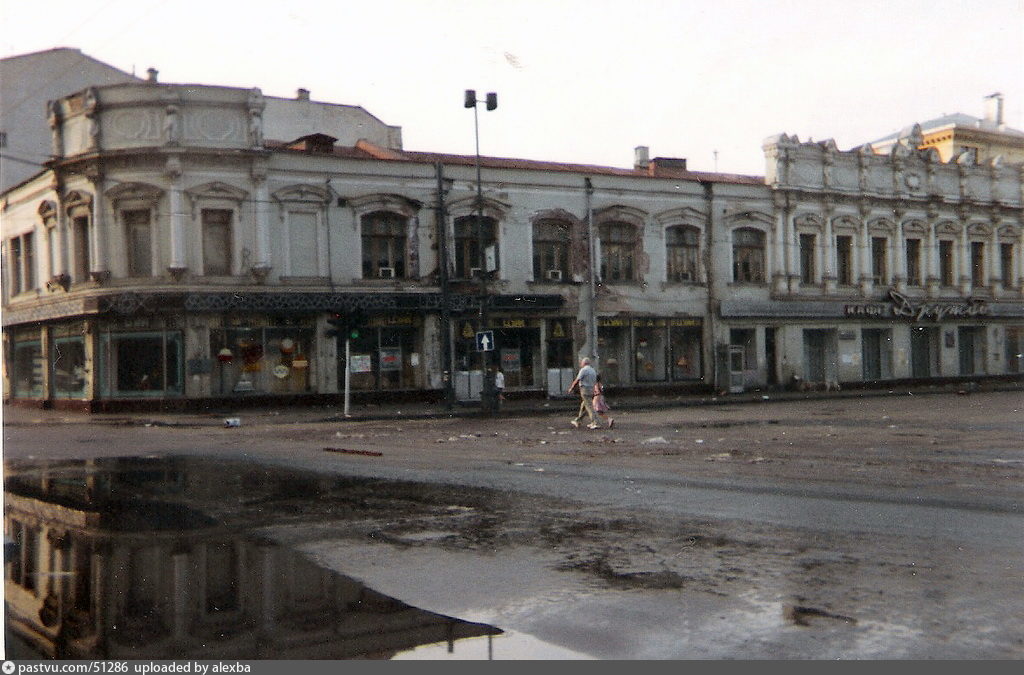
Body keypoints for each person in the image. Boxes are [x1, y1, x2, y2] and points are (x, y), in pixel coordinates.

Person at [567, 357, 601, 429]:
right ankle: (578, 420)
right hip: (591, 389)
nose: (580, 364)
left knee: (589, 406)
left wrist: (571, 388)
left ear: (584, 363)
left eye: (581, 363)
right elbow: (595, 381)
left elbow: (577, 379)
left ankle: (596, 422)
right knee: (584, 405)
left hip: (585, 389)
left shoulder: (583, 370)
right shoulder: (593, 370)